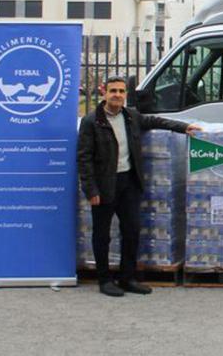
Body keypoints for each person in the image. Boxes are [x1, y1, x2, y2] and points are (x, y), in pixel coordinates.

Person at [78, 75, 200, 297]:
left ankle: (127, 278)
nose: (117, 95)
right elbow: (83, 159)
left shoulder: (131, 116)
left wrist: (184, 127)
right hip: (105, 185)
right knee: (102, 235)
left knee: (132, 231)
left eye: (121, 91)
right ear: (104, 93)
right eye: (113, 91)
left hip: (129, 183)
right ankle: (105, 280)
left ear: (126, 95)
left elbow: (156, 121)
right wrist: (91, 190)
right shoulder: (91, 122)